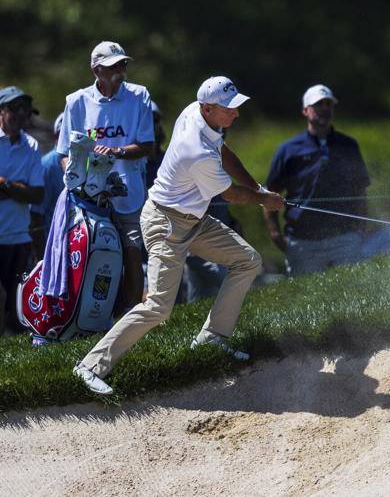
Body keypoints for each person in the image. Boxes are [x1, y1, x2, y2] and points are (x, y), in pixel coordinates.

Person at [72, 76, 284, 395]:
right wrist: (265, 200)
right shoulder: (196, 150)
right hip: (165, 224)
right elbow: (231, 195)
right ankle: (89, 366)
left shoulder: (197, 113)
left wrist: (259, 188)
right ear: (208, 108)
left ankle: (212, 337)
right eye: (229, 108)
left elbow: (224, 152)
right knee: (159, 307)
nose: (236, 113)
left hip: (193, 220)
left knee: (248, 261)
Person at [56, 41, 154, 314]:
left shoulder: (139, 95)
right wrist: (76, 180)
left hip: (128, 191)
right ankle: (90, 316)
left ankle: (130, 317)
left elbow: (147, 146)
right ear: (96, 69)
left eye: (122, 64)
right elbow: (63, 153)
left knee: (132, 252)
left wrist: (115, 151)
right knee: (91, 255)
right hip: (88, 196)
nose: (120, 70)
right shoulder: (76, 101)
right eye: (113, 66)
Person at [264, 84, 390, 277]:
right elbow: (269, 195)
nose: (324, 109)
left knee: (352, 288)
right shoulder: (288, 150)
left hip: (345, 238)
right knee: (305, 293)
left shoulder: (348, 145)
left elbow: (360, 190)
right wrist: (276, 235)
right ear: (305, 110)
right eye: (318, 105)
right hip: (302, 241)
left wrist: (359, 230)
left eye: (328, 104)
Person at [0, 86, 44, 335]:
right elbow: (28, 191)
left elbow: (37, 194)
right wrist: (20, 189)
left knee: (15, 304)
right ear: (2, 111)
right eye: (14, 108)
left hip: (19, 236)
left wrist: (5, 184)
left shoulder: (32, 145)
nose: (21, 115)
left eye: (25, 110)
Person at [30, 113, 67, 259]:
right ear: (56, 136)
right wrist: (41, 257)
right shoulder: (47, 166)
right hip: (54, 248)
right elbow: (35, 215)